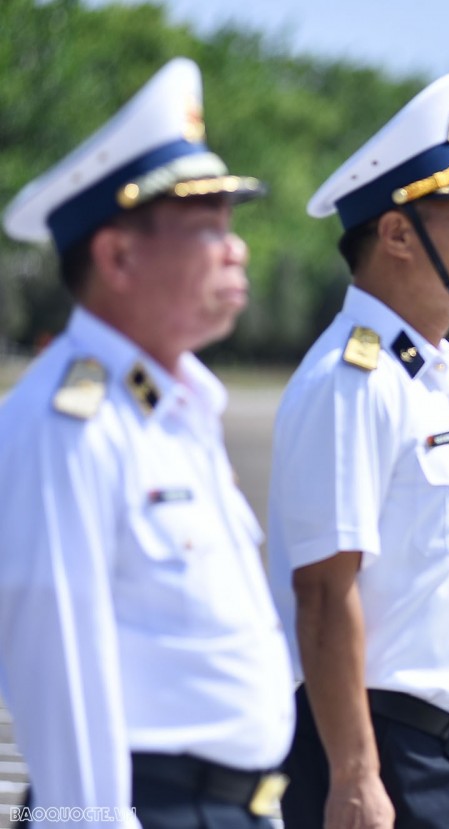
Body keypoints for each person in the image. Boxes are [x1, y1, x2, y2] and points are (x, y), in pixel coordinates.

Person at [0, 58, 294, 829]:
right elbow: (59, 675)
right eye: (206, 227)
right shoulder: (70, 423)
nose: (236, 249)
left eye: (231, 225)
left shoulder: (176, 409)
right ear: (117, 256)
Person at [267, 72, 449, 829]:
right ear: (398, 234)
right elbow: (323, 589)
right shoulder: (355, 381)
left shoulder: (427, 377)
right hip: (385, 759)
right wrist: (355, 774)